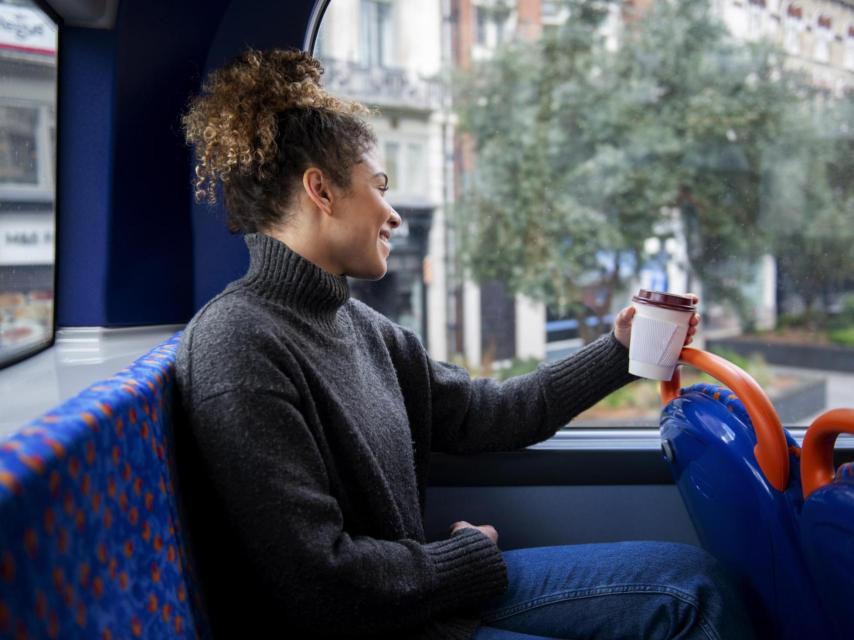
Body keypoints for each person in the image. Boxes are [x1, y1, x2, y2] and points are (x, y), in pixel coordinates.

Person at [175, 49, 751, 640]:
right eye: (379, 186)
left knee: (695, 585)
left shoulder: (362, 329)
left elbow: (486, 413)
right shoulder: (237, 346)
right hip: (383, 626)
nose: (393, 213)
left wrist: (620, 350)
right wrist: (465, 557)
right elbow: (318, 585)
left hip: (423, 604)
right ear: (321, 191)